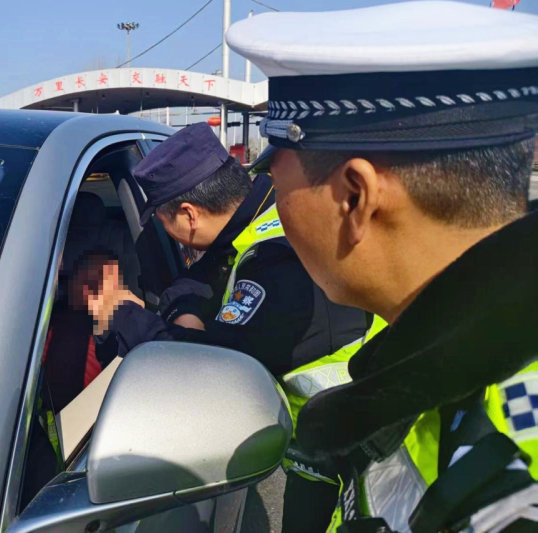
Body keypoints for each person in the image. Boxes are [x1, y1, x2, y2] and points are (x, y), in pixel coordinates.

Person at [227, 2, 538, 531]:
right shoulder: (445, 366)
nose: (274, 210)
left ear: (355, 198)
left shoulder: (507, 491)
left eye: (276, 184)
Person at [77, 123, 375, 531]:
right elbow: (199, 278)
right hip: (323, 451)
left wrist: (120, 311)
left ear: (189, 215)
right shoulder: (264, 214)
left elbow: (203, 372)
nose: (166, 234)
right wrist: (186, 312)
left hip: (353, 476)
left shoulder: (280, 270)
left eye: (162, 224)